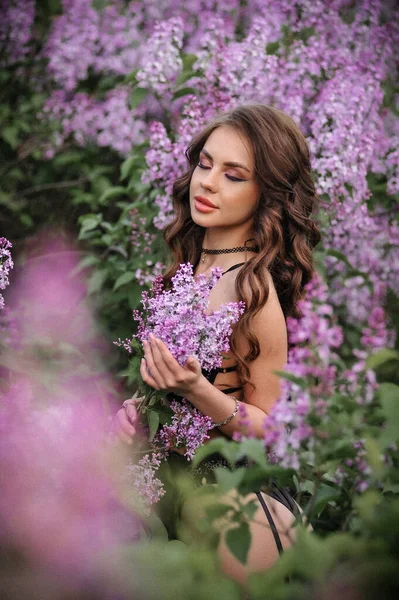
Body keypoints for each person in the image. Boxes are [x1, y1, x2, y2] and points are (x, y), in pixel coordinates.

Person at [114, 104, 321, 584]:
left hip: (232, 509)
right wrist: (137, 412)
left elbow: (272, 431)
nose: (206, 183)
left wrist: (196, 391)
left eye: (233, 175)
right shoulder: (189, 271)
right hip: (169, 487)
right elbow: (175, 389)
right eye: (204, 164)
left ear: (266, 194)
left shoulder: (254, 292)